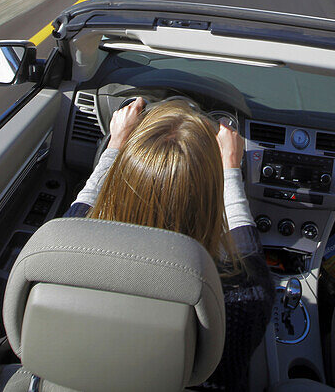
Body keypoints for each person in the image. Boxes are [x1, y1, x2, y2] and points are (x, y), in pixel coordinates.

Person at [65, 97, 275, 392]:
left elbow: (82, 207)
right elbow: (248, 254)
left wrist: (116, 145)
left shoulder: (67, 257)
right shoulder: (244, 298)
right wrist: (230, 167)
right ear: (210, 199)